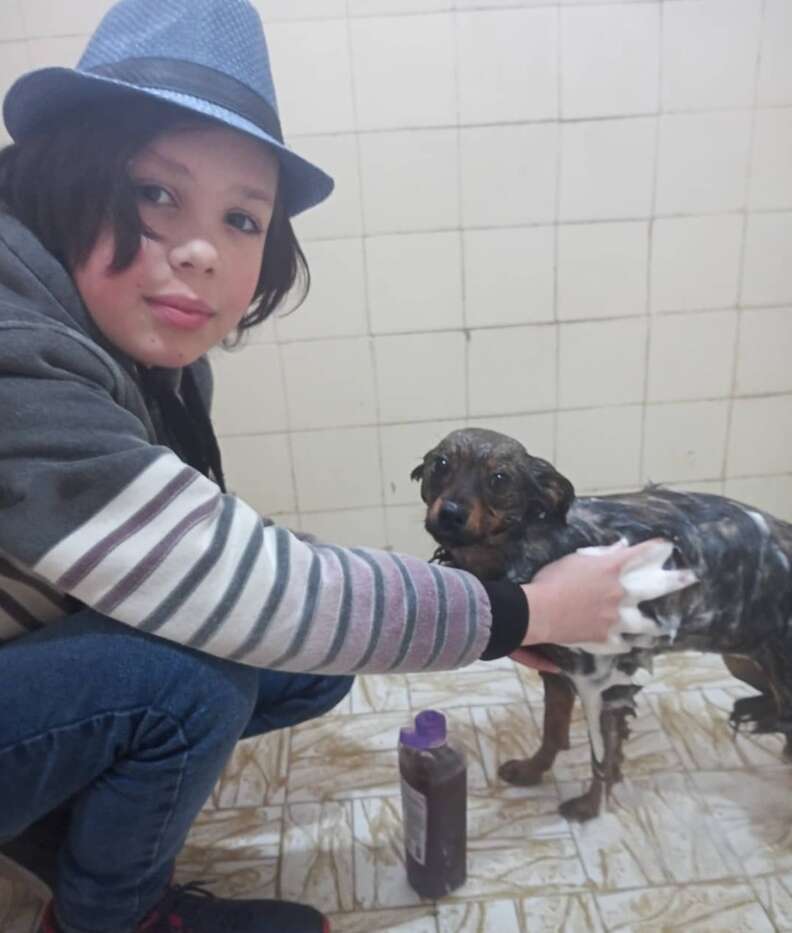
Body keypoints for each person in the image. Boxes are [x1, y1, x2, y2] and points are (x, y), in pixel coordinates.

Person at [0, 2, 694, 931]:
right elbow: (245, 588)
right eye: (155, 193)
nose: (204, 249)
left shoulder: (153, 363)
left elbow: (203, 556)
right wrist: (522, 613)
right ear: (61, 174)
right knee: (190, 679)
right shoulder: (16, 347)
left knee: (310, 663)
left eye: (243, 215)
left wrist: (472, 614)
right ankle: (110, 916)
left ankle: (63, 822)